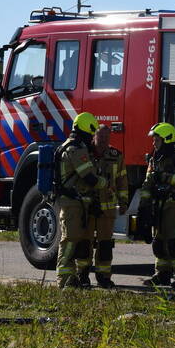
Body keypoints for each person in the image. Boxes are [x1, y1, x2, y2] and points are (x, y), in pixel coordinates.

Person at [55, 112, 106, 288]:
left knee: (76, 240)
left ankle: (72, 278)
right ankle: (64, 280)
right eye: (92, 132)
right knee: (70, 240)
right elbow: (88, 177)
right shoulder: (76, 149)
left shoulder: (73, 146)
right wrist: (104, 182)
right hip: (72, 203)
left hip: (77, 202)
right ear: (87, 129)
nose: (93, 136)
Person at [137, 122, 175, 287]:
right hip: (158, 205)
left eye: (157, 140)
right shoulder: (155, 158)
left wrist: (165, 178)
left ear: (167, 139)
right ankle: (162, 274)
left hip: (174, 205)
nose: (154, 143)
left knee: (174, 241)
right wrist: (143, 206)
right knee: (159, 241)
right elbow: (148, 183)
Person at [88, 124, 128, 289]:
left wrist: (124, 201)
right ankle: (82, 274)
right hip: (88, 206)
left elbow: (122, 180)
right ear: (94, 136)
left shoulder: (116, 156)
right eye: (100, 137)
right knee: (85, 243)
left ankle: (104, 277)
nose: (104, 140)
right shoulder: (84, 153)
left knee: (105, 245)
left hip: (107, 208)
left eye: (107, 137)